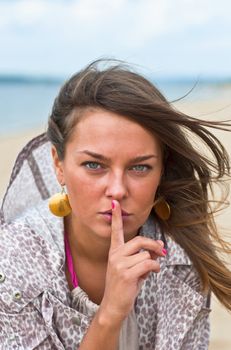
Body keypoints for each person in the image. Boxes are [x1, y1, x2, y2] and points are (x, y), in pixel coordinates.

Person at [0, 59, 231, 350]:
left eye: (140, 168)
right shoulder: (12, 262)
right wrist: (110, 314)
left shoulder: (180, 260)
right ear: (58, 164)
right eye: (94, 164)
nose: (117, 190)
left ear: (162, 170)